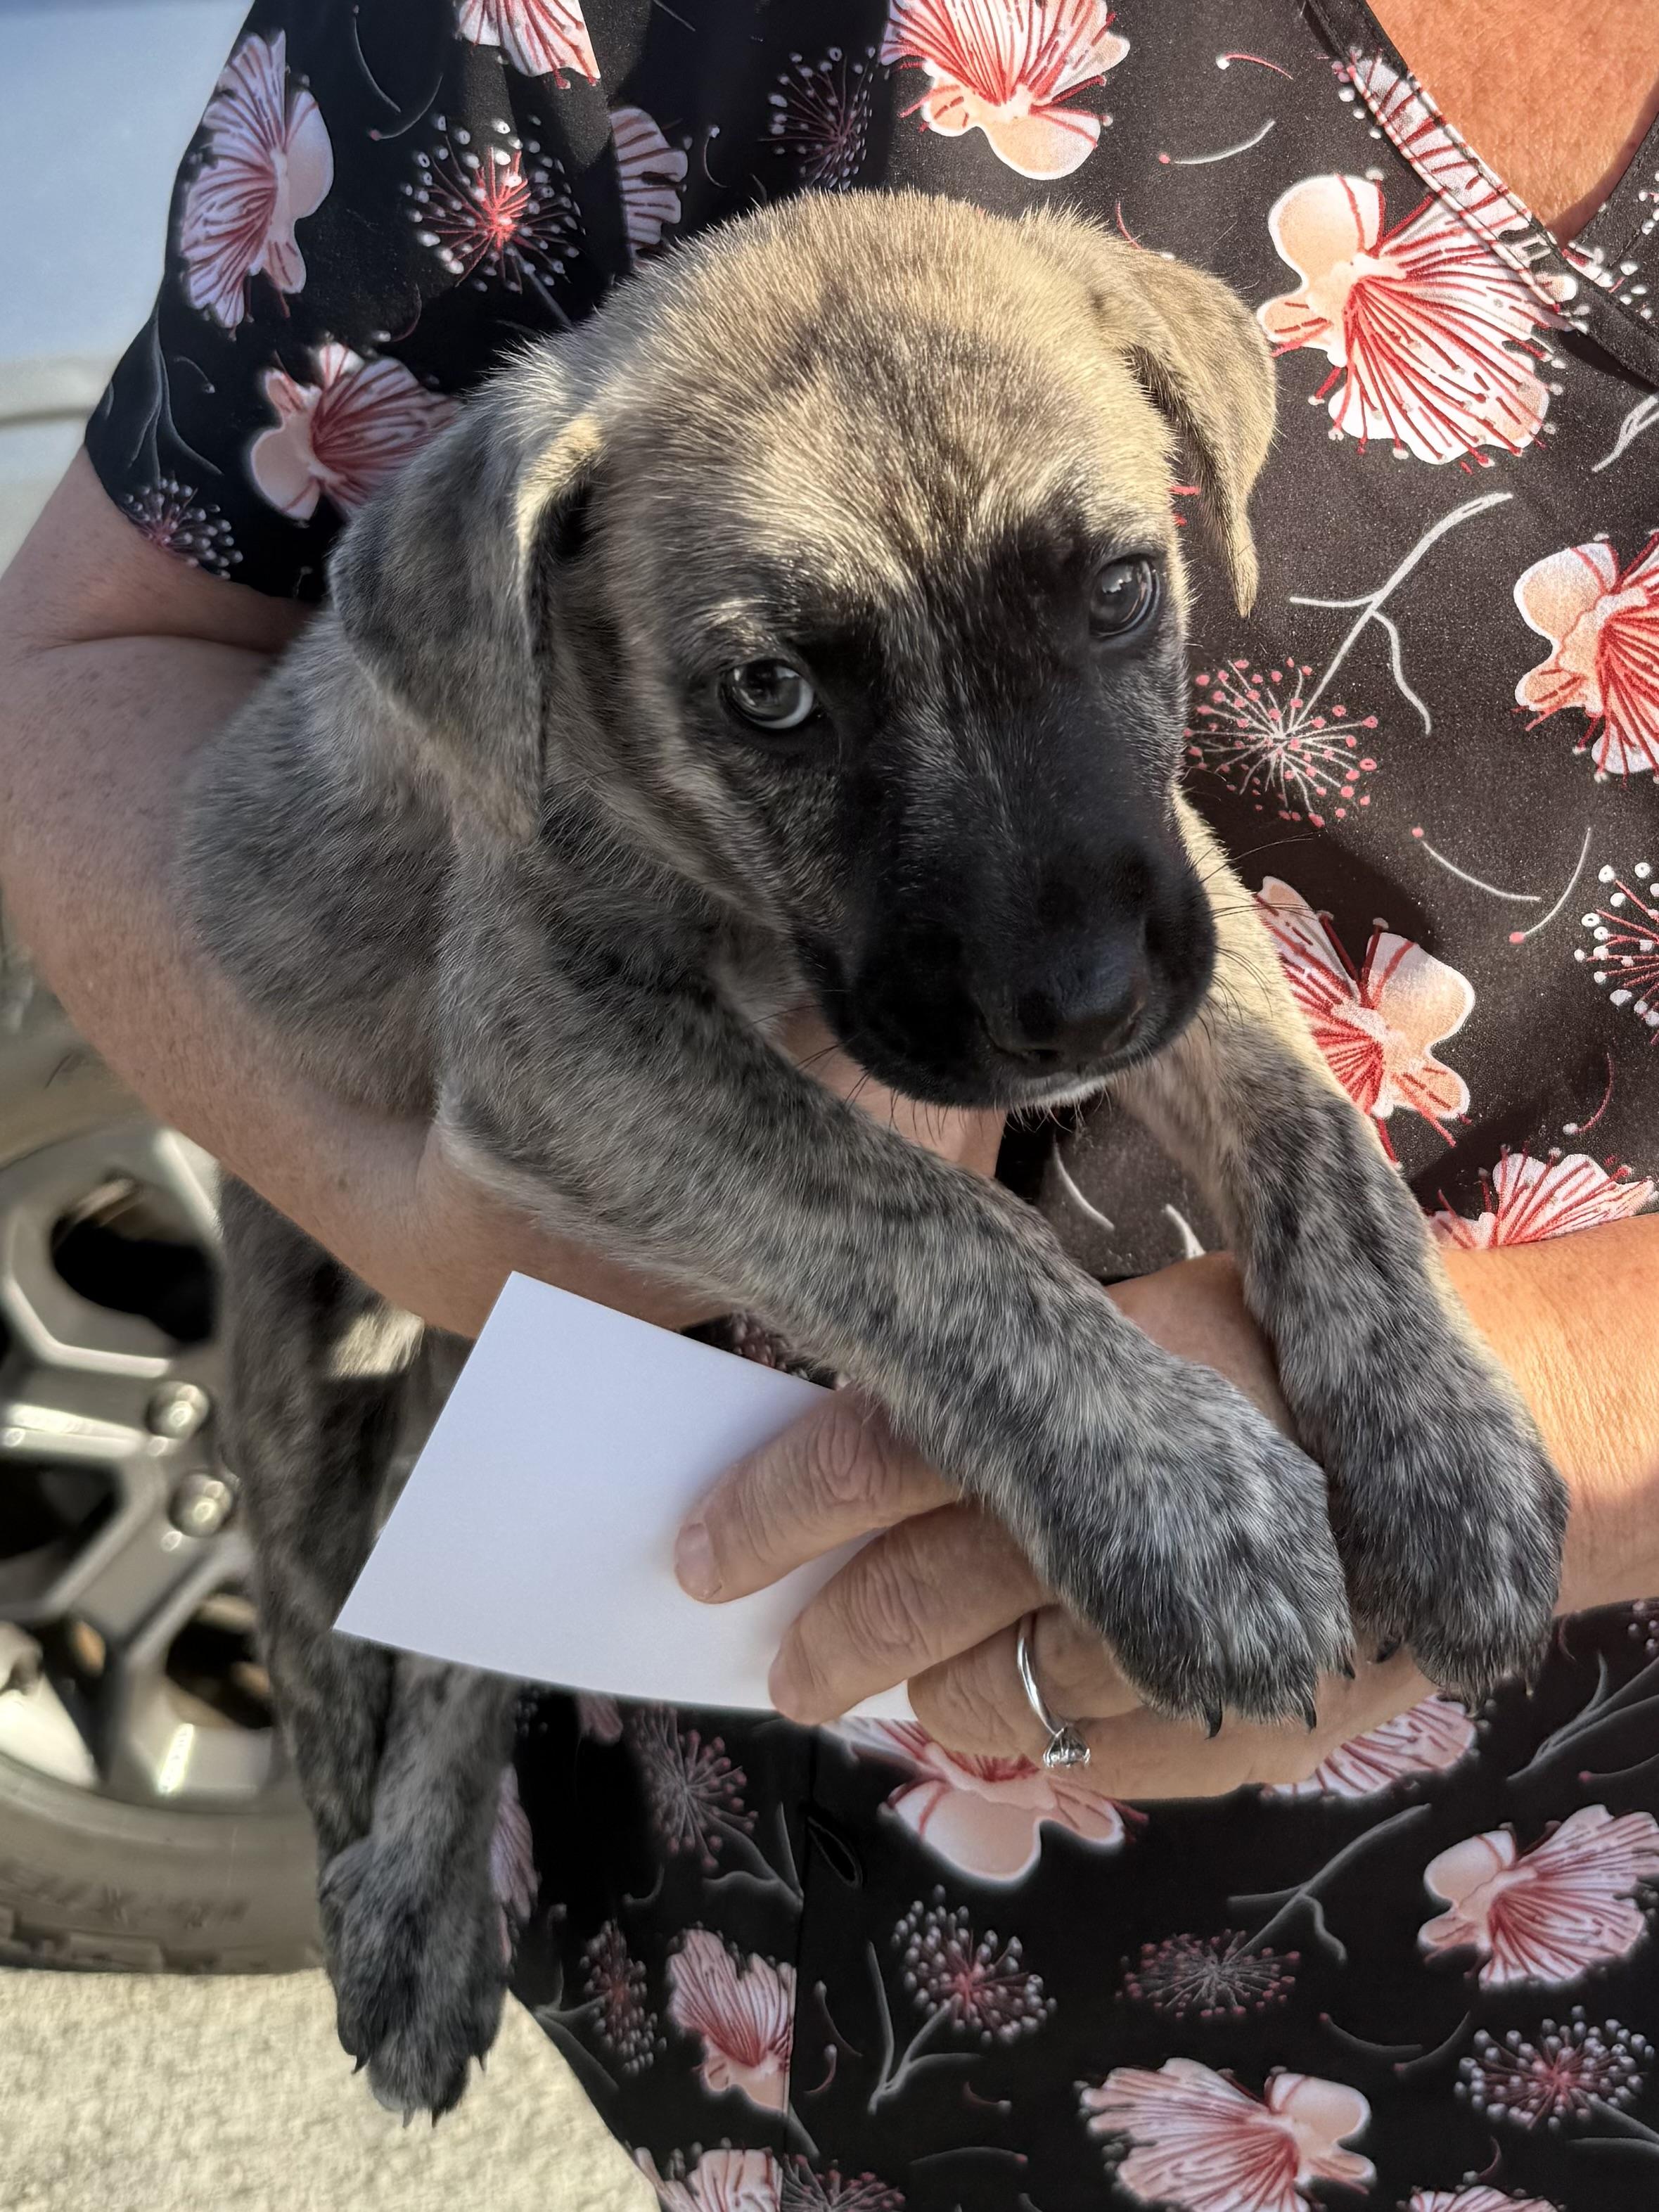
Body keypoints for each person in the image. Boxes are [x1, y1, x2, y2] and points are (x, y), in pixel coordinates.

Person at [4, 0, 1659, 2200]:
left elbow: (1192, 939)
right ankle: (390, 1831)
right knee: (338, 1400)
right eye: (784, 688)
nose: (1069, 958)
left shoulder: (1062, 374)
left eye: (1113, 598)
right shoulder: (563, 471)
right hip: (858, 1957)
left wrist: (1415, 1339)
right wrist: (1043, 1374)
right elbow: (527, 1061)